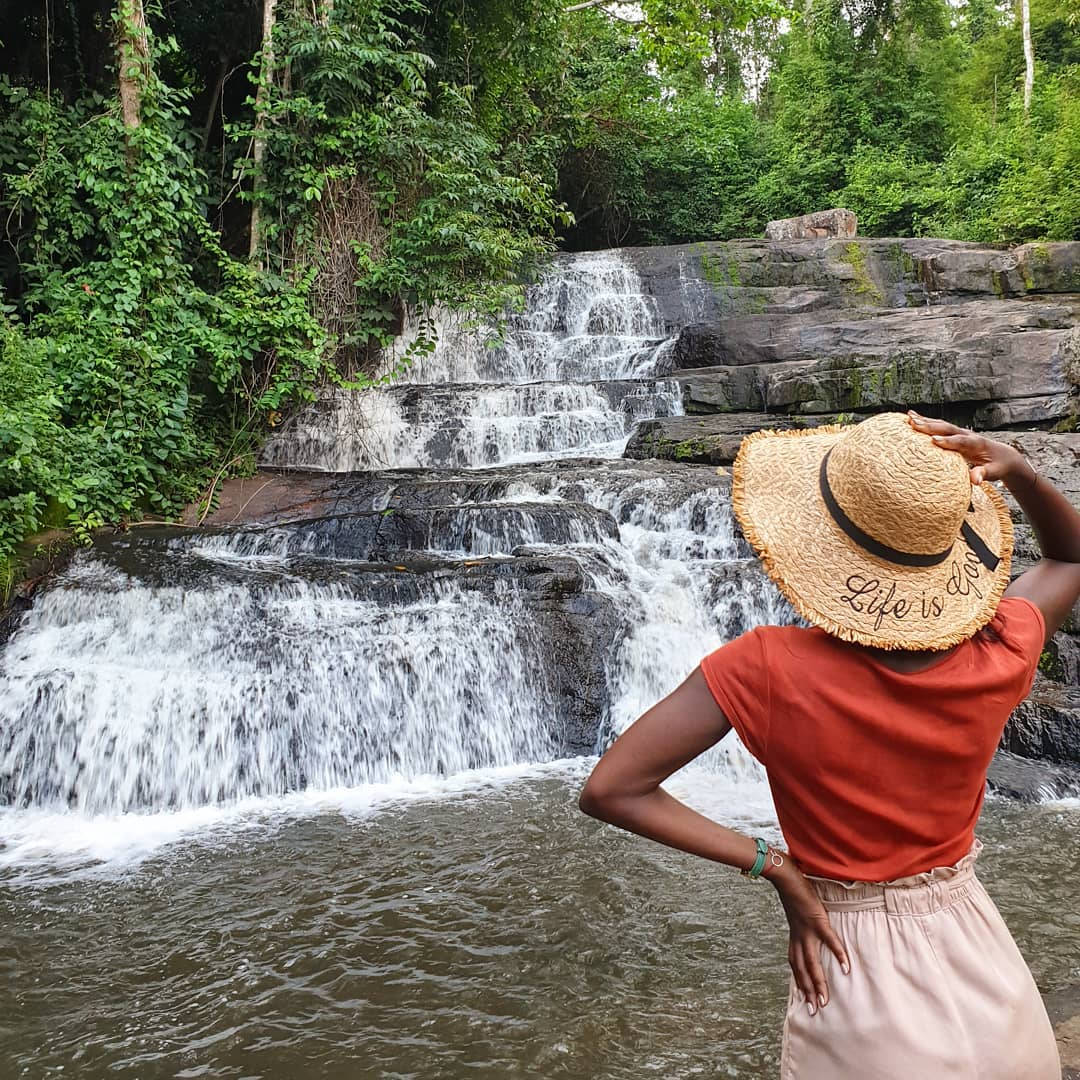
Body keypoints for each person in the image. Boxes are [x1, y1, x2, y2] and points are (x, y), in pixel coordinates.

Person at [579, 410, 1080, 1079]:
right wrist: (1015, 466)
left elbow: (611, 789)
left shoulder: (763, 667)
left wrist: (775, 866)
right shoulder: (1004, 646)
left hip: (850, 963)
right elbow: (1071, 555)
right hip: (984, 965)